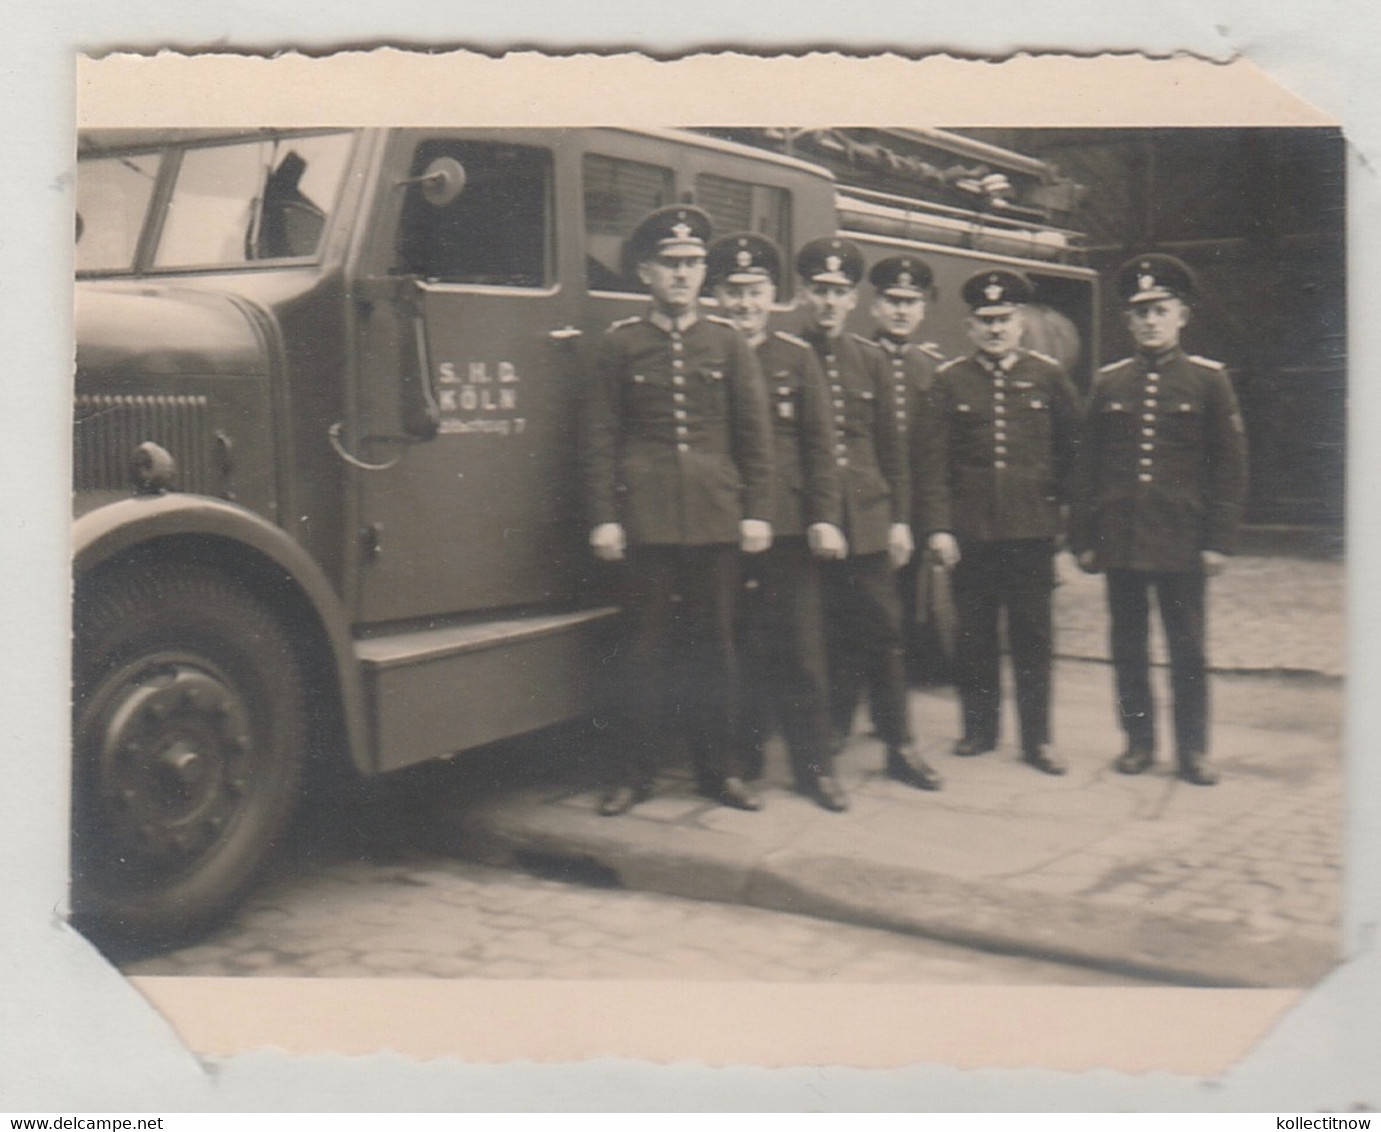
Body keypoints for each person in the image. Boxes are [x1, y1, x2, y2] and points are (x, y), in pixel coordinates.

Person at [580, 206, 776, 816]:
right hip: (644, 522)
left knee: (714, 650)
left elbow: (755, 438)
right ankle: (631, 776)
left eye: (693, 264)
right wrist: (604, 517)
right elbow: (599, 438)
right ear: (646, 272)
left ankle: (718, 774)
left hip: (716, 520)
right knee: (640, 651)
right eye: (671, 264)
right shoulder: (621, 345)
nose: (684, 275)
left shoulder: (727, 344)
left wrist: (756, 513)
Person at [1071, 254, 1248, 786]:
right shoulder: (1109, 383)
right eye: (1140, 311)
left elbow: (1230, 468)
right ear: (1127, 321)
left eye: (1160, 309)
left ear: (1182, 316)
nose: (1150, 320)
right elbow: (1087, 465)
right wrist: (1084, 537)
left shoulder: (1208, 381)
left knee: (1187, 649)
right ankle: (1138, 743)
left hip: (1182, 541)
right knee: (1128, 647)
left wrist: (1218, 541)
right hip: (1122, 539)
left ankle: (1193, 751)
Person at [707, 233, 850, 812]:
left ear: (774, 296)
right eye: (734, 292)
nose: (745, 304)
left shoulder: (797, 357)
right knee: (734, 647)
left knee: (801, 650)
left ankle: (815, 769)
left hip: (788, 526)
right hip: (723, 522)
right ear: (718, 294)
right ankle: (739, 763)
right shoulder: (707, 349)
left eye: (756, 292)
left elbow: (820, 446)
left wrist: (824, 517)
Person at [795, 236, 942, 792]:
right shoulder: (785, 354)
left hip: (867, 520)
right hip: (807, 519)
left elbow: (891, 452)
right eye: (818, 291)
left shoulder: (872, 360)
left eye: (838, 292)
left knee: (884, 635)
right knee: (814, 639)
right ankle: (825, 737)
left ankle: (900, 745)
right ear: (802, 293)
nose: (828, 302)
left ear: (854, 299)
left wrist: (900, 520)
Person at [932, 269, 1080, 775]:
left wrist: (1059, 525)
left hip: (1031, 534)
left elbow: (1071, 454)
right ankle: (979, 730)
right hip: (971, 534)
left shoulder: (1048, 376)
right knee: (973, 636)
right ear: (970, 326)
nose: (995, 329)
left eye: (1005, 319)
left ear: (1021, 323)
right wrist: (940, 529)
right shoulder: (950, 381)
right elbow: (934, 463)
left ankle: (1038, 740)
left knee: (1033, 638)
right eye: (985, 320)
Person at [866, 255, 958, 682]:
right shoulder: (857, 359)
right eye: (892, 300)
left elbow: (937, 448)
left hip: (917, 500)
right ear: (874, 306)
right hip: (867, 499)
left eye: (911, 301)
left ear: (922, 310)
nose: (901, 310)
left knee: (906, 595)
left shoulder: (934, 370)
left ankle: (899, 677)